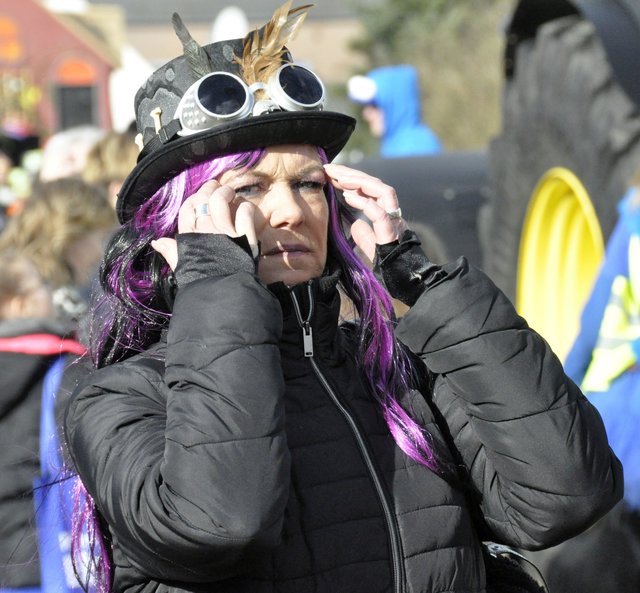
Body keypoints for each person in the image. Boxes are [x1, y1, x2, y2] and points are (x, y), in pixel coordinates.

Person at [63, 4, 621, 593]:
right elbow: (221, 523)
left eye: (308, 184)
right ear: (178, 222)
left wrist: (421, 283)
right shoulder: (118, 397)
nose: (291, 211)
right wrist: (217, 283)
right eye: (249, 188)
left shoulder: (392, 370)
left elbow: (568, 495)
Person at [0, 249, 85, 591]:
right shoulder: (64, 370)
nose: (52, 293)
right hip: (43, 561)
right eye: (43, 285)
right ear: (20, 305)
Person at [0, 177, 117, 331]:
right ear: (72, 234)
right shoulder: (49, 297)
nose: (101, 252)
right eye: (101, 237)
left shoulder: (21, 275)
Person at [347, 64, 443, 158]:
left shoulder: (412, 149)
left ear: (394, 105)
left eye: (374, 106)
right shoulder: (398, 145)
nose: (366, 114)